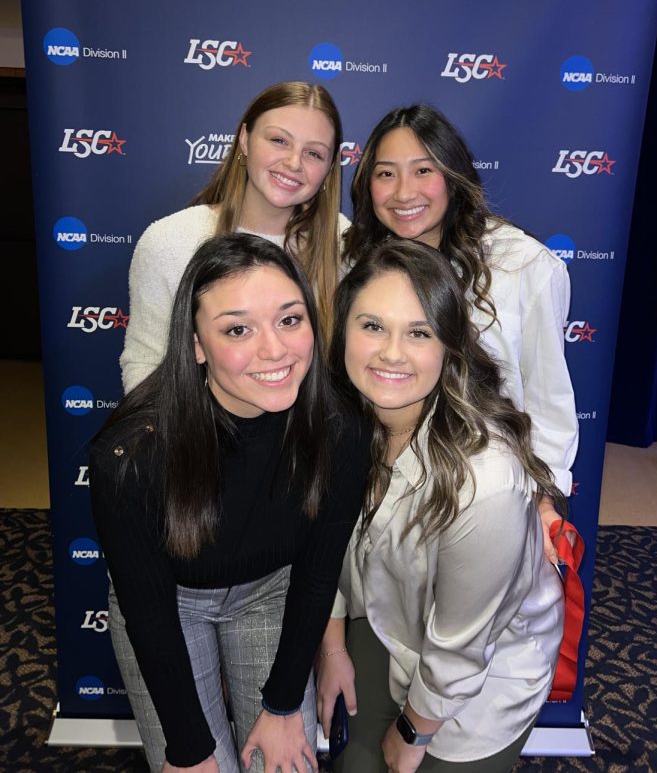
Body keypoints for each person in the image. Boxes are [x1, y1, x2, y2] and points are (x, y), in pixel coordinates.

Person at [90, 234, 371, 773]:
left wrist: (286, 705)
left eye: (289, 320)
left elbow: (317, 575)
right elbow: (148, 613)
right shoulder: (130, 455)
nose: (274, 349)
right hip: (169, 608)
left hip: (271, 593)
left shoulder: (341, 430)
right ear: (196, 344)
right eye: (238, 329)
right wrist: (190, 753)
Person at [317, 240, 566, 772]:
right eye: (372, 326)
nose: (390, 353)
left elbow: (461, 646)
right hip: (391, 618)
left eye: (419, 332)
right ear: (343, 332)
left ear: (450, 347)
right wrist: (332, 644)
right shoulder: (341, 425)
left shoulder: (486, 479)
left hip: (483, 670)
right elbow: (326, 547)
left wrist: (411, 733)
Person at [342, 104, 578, 561]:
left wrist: (543, 499)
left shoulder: (524, 266)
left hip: (481, 492)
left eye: (423, 170)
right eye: (386, 174)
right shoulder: (353, 262)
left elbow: (549, 399)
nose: (403, 192)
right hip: (375, 486)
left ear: (453, 176)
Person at [120, 80, 348, 393]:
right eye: (279, 140)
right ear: (244, 139)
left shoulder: (343, 242)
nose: (294, 162)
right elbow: (146, 364)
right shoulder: (170, 241)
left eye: (313, 153)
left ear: (330, 167)